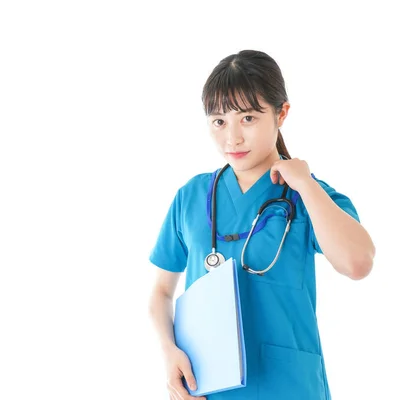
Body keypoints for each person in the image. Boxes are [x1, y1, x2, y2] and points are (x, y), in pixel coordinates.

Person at [147, 50, 376, 400]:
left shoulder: (308, 196)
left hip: (290, 386)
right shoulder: (191, 197)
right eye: (219, 121)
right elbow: (162, 292)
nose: (232, 139)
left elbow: (357, 264)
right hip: (209, 387)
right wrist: (168, 352)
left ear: (281, 113)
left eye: (248, 119)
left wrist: (306, 185)